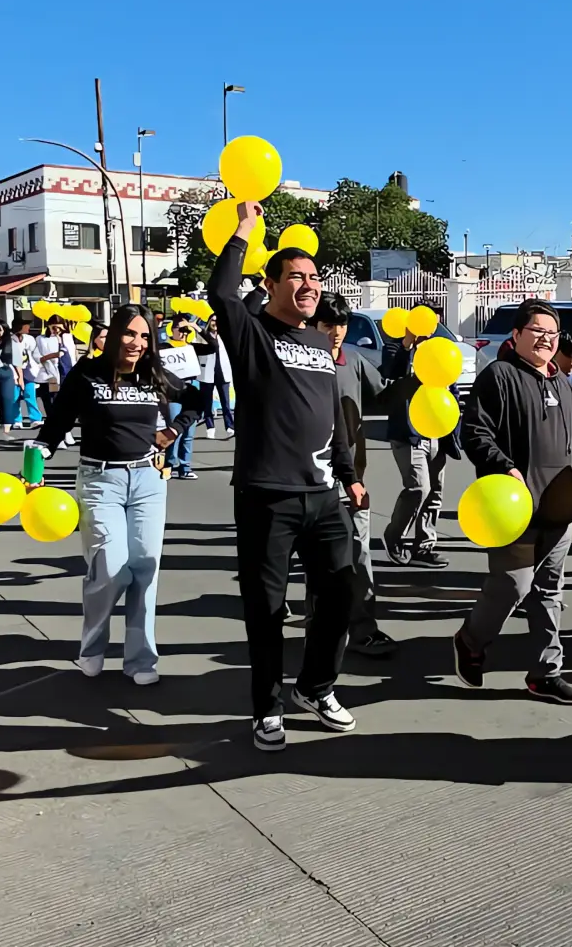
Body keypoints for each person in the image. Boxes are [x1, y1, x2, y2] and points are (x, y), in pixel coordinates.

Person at [208, 203, 364, 753]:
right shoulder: (252, 335)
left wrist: (347, 474)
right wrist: (243, 233)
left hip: (324, 498)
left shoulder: (322, 344)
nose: (309, 284)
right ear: (270, 284)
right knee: (267, 610)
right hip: (267, 497)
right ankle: (267, 708)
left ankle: (315, 687)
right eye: (295, 276)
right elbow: (223, 295)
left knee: (345, 592)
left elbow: (331, 417)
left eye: (315, 277)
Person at [455, 299, 572, 705]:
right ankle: (470, 641)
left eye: (552, 333)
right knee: (512, 586)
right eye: (537, 332)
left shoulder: (563, 383)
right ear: (516, 336)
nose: (546, 339)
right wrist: (503, 467)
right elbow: (475, 432)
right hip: (513, 509)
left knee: (549, 592)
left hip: (559, 507)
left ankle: (546, 673)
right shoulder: (499, 376)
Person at [35, 304, 205, 685]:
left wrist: (173, 431)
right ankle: (92, 647)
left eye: (145, 336)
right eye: (130, 334)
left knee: (145, 568)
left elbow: (197, 401)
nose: (137, 343)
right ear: (114, 335)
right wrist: (36, 463)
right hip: (100, 480)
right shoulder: (87, 373)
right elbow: (56, 424)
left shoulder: (154, 374)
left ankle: (141, 660)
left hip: (148, 480)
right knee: (110, 567)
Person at [313, 292, 398, 658]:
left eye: (342, 324)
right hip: (312, 479)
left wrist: (406, 354)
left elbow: (385, 394)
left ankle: (364, 628)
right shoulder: (303, 362)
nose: (336, 332)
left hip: (354, 477)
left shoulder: (356, 361)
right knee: (320, 561)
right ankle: (320, 630)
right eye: (329, 324)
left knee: (360, 553)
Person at [381, 328, 455, 570]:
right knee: (418, 488)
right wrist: (407, 345)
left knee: (435, 493)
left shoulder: (440, 352)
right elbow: (393, 375)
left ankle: (424, 546)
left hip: (437, 433)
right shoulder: (396, 349)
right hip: (408, 433)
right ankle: (395, 536)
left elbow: (451, 391)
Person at [158, 316, 203, 479]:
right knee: (175, 427)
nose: (184, 333)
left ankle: (185, 466)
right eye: (180, 329)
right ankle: (169, 463)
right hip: (172, 390)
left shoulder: (191, 347)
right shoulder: (163, 347)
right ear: (173, 330)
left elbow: (213, 346)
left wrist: (195, 327)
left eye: (186, 331)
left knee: (189, 431)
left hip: (191, 386)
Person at [194, 313, 234, 439]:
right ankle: (210, 427)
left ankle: (229, 426)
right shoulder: (201, 336)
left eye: (217, 321)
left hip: (222, 371)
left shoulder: (225, 335)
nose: (214, 323)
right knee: (207, 402)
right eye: (212, 320)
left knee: (225, 402)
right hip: (207, 372)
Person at [12, 317, 44, 428]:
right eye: (26, 325)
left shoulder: (30, 339)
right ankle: (16, 419)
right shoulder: (10, 340)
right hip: (14, 371)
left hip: (28, 370)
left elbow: (35, 354)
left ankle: (35, 418)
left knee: (30, 394)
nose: (28, 327)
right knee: (14, 396)